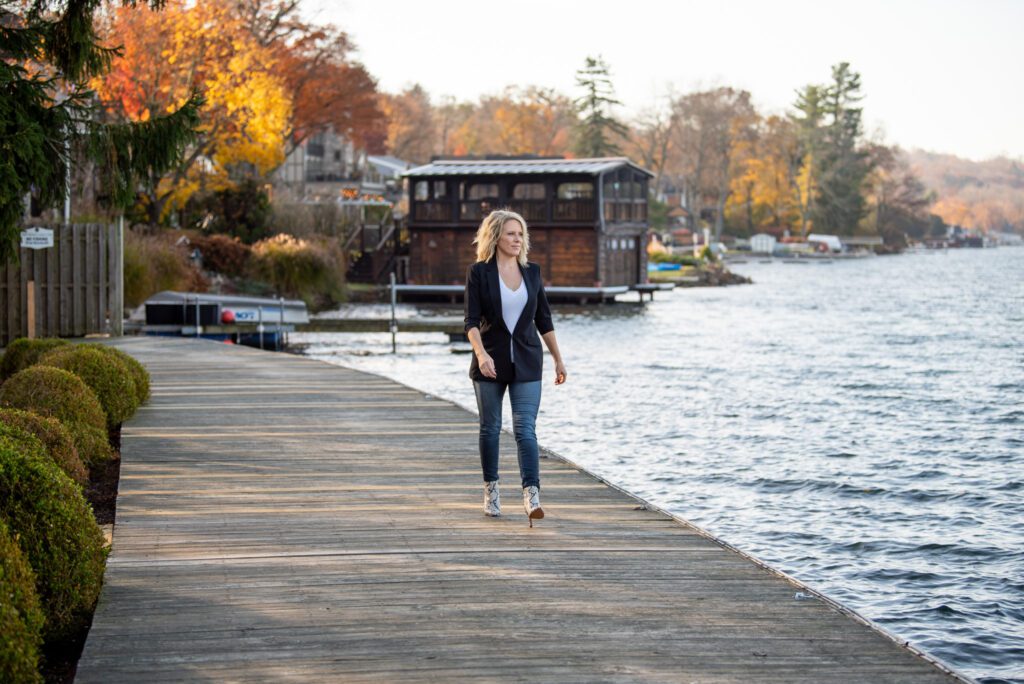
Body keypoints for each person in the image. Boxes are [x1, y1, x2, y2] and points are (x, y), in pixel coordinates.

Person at [464, 209, 567, 527]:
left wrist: (557, 358)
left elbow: (544, 319)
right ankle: (491, 492)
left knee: (526, 430)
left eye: (520, 234)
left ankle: (531, 495)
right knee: (490, 429)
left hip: (527, 362)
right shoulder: (478, 273)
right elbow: (470, 321)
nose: (517, 239)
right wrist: (481, 354)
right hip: (490, 362)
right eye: (511, 233)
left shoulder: (532, 273)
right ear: (495, 236)